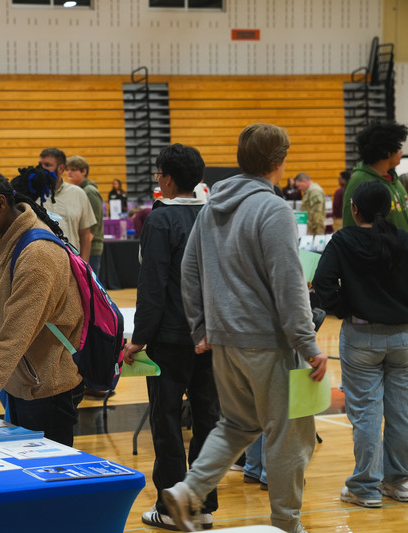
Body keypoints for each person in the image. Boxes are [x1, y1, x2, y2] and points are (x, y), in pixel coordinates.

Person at [163, 124, 327, 533]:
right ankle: (287, 524)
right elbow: (288, 283)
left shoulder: (212, 206)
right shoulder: (273, 210)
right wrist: (308, 344)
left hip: (224, 340)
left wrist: (201, 326)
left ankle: (188, 492)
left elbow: (189, 269)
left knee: (236, 425)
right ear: (279, 162)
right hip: (267, 342)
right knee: (290, 436)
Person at [0, 168, 85, 447]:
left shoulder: (36, 254)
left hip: (47, 391)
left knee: (45, 487)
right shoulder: (6, 241)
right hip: (23, 383)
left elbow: (14, 339)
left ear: (0, 203)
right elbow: (14, 322)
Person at [121, 144, 219, 530]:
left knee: (166, 422)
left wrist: (139, 338)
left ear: (167, 177)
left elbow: (153, 285)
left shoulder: (160, 221)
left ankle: (171, 507)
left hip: (171, 339)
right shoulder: (213, 217)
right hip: (211, 338)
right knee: (208, 419)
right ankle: (203, 504)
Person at [313, 180, 408, 509]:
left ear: (354, 208)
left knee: (365, 414)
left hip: (361, 335)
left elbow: (322, 284)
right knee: (402, 411)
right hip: (405, 336)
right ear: (390, 209)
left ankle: (365, 487)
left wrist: (345, 308)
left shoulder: (343, 240)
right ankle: (400, 482)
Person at [342, 121, 408, 232]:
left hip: (404, 248)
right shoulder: (358, 180)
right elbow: (350, 226)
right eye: (398, 148)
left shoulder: (394, 179)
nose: (401, 152)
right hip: (381, 249)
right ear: (387, 152)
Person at [38, 148, 97, 261]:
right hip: (41, 263)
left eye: (47, 165)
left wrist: (84, 266)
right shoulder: (31, 195)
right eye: (40, 164)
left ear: (60, 168)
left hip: (71, 264)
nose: (41, 169)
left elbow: (85, 235)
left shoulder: (79, 193)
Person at [66, 155, 104, 275]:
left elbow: (93, 223)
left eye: (73, 170)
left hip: (91, 248)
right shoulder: (77, 191)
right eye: (67, 170)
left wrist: (83, 249)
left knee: (89, 287)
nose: (69, 173)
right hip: (81, 247)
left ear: (84, 171)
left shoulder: (90, 192)